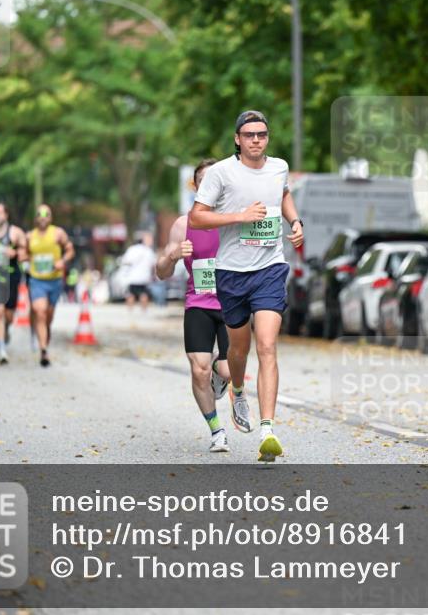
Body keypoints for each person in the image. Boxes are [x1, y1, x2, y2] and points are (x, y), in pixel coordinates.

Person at [189, 110, 304, 462]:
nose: (257, 140)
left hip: (270, 267)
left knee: (267, 345)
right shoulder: (222, 172)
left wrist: (295, 220)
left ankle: (268, 429)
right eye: (250, 135)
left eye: (263, 134)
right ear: (238, 139)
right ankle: (237, 389)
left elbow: (283, 194)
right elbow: (197, 217)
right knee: (238, 351)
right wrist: (239, 216)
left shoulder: (279, 167)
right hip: (231, 271)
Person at [158, 158, 233, 453]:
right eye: (204, 181)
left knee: (227, 371)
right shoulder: (182, 224)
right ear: (196, 186)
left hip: (230, 304)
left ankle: (220, 373)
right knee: (198, 370)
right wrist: (174, 255)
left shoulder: (233, 219)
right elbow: (161, 272)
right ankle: (216, 430)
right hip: (199, 303)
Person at [23, 204, 75, 367]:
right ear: (36, 218)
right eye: (40, 214)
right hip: (37, 280)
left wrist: (62, 261)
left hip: (55, 281)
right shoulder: (30, 236)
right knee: (39, 312)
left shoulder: (58, 233)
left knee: (48, 317)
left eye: (46, 214)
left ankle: (43, 339)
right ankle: (43, 350)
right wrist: (24, 258)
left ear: (50, 218)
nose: (43, 217)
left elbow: (70, 250)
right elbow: (23, 253)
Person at [0, 202, 27, 365]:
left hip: (12, 276)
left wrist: (15, 253)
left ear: (6, 215)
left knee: (8, 314)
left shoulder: (16, 233)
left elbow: (24, 253)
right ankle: (1, 350)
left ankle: (7, 328)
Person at [121, 232, 157, 312]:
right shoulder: (148, 251)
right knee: (144, 294)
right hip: (144, 277)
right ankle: (144, 311)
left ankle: (130, 311)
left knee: (131, 294)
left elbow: (125, 261)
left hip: (132, 277)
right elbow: (153, 265)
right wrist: (153, 275)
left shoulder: (131, 249)